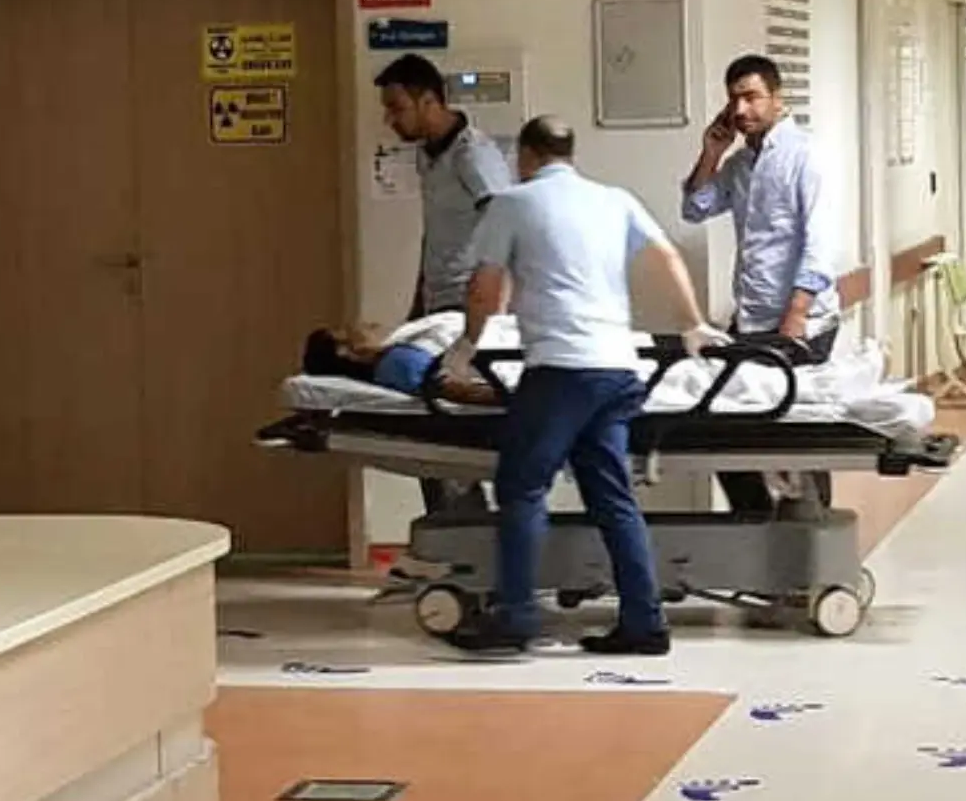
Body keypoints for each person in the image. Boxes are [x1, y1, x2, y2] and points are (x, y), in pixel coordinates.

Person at [439, 115, 731, 655]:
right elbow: (667, 255)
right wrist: (692, 323)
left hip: (561, 370)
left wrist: (467, 347)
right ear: (570, 154)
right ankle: (644, 622)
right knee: (613, 498)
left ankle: (517, 616)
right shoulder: (614, 200)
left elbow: (484, 286)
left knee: (522, 488)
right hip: (617, 369)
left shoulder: (513, 203)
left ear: (526, 156)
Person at [681, 54, 841, 511]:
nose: (740, 110)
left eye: (751, 97)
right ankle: (756, 523)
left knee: (798, 436)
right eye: (734, 99)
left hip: (801, 321)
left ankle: (810, 532)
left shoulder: (804, 155)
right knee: (727, 426)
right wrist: (711, 152)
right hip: (752, 319)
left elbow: (819, 241)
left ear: (777, 98)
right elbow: (695, 209)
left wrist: (797, 315)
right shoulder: (738, 165)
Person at [374, 53, 514, 515]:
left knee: (449, 430)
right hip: (438, 306)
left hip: (469, 308)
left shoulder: (474, 155)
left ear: (429, 101)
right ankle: (457, 532)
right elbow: (435, 236)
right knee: (432, 433)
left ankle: (465, 534)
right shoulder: (428, 156)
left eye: (397, 108)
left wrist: (488, 325)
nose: (390, 119)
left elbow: (506, 232)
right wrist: (416, 307)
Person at [300, 324, 498, 406]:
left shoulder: (391, 361)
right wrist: (509, 397)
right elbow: (453, 389)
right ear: (349, 352)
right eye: (347, 331)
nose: (363, 325)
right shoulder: (397, 363)